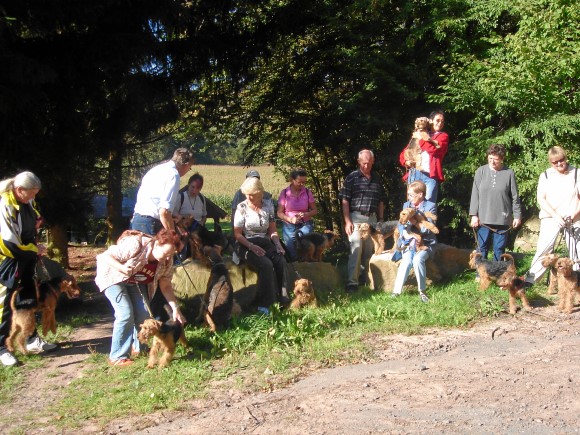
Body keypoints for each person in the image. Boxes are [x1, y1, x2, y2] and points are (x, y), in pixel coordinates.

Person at [95, 229, 186, 366]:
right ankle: (118, 356)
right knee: (125, 313)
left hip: (135, 282)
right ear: (157, 244)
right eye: (166, 253)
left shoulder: (167, 260)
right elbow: (103, 257)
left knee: (143, 312)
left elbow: (165, 285)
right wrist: (122, 268)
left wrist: (175, 308)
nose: (168, 258)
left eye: (172, 254)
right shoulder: (136, 245)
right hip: (113, 276)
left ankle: (140, 348)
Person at [0, 171, 56, 367]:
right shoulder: (5, 205)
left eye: (35, 194)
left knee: (29, 298)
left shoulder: (26, 201)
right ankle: (2, 348)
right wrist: (34, 249)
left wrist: (38, 222)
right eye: (31, 194)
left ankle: (31, 339)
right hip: (8, 261)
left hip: (27, 258)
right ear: (19, 189)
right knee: (6, 303)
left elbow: (34, 217)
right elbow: (9, 244)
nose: (33, 198)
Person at [233, 177, 289, 314]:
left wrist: (277, 244)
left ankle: (283, 298)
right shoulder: (241, 208)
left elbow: (272, 230)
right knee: (266, 264)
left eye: (251, 194)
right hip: (245, 243)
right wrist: (251, 246)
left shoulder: (268, 206)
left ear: (259, 193)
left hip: (265, 241)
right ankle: (265, 304)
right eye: (246, 194)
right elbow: (237, 234)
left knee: (280, 260)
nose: (248, 197)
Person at [525, 146, 580, 285]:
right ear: (550, 162)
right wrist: (555, 215)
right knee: (544, 250)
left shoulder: (576, 173)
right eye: (554, 162)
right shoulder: (546, 175)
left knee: (576, 253)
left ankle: (577, 285)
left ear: (565, 158)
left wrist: (574, 215)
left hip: (572, 219)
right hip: (550, 217)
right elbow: (541, 199)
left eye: (561, 160)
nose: (558, 164)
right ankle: (529, 282)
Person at [339, 149, 387, 293]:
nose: (366, 166)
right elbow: (345, 200)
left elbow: (381, 201)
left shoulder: (377, 178)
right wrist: (347, 221)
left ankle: (367, 280)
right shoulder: (352, 177)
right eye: (363, 163)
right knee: (356, 248)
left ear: (373, 162)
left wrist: (381, 219)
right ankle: (352, 283)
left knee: (369, 251)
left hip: (372, 218)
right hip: (355, 218)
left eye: (369, 163)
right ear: (359, 162)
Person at [469, 144, 522, 264]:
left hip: (502, 219)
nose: (492, 162)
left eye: (496, 159)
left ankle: (498, 274)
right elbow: (475, 194)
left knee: (499, 249)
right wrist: (474, 215)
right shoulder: (480, 171)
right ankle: (481, 275)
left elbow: (515, 196)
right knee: (482, 248)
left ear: (502, 159)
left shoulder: (509, 173)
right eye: (490, 158)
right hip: (483, 218)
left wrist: (517, 216)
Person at [391, 181, 437, 302]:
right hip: (409, 241)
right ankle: (396, 292)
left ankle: (422, 291)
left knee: (417, 260)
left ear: (420, 194)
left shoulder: (430, 206)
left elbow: (429, 230)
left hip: (426, 243)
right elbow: (401, 223)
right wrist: (405, 234)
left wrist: (415, 223)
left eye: (411, 195)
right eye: (408, 195)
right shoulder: (406, 204)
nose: (409, 198)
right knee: (406, 261)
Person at [132, 147, 193, 235]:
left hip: (136, 221)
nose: (188, 171)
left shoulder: (156, 169)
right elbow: (164, 212)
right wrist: (173, 237)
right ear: (185, 164)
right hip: (151, 224)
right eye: (189, 168)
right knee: (175, 246)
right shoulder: (174, 175)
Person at [399, 110, 449, 203]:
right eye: (438, 120)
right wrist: (405, 162)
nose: (440, 123)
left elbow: (434, 150)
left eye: (442, 121)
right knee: (412, 205)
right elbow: (405, 152)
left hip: (430, 175)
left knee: (428, 205)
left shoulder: (443, 136)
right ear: (431, 121)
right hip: (414, 173)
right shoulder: (420, 133)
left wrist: (421, 139)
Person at [277, 168, 317, 261]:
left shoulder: (307, 192)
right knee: (291, 248)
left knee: (305, 243)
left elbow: (315, 210)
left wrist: (306, 214)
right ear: (292, 180)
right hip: (289, 225)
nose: (302, 185)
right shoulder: (285, 193)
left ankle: (306, 263)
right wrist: (290, 219)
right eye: (299, 182)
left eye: (304, 182)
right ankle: (294, 267)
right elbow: (279, 213)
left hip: (305, 223)